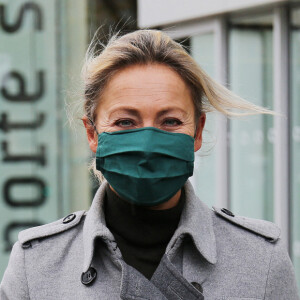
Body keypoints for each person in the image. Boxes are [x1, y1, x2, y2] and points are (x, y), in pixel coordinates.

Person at [0, 29, 299, 300]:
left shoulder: (261, 261)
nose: (146, 145)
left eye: (169, 121)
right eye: (125, 122)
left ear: (197, 132)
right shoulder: (36, 265)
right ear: (92, 134)